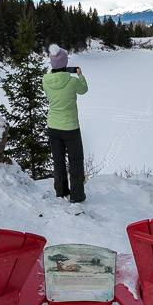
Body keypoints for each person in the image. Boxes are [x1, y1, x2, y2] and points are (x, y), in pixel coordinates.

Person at [43, 44, 88, 203]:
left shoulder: (45, 80)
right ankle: (77, 195)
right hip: (70, 128)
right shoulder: (72, 81)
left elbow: (50, 92)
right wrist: (80, 75)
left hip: (53, 126)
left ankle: (61, 191)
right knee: (75, 161)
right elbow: (84, 90)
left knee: (58, 160)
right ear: (65, 63)